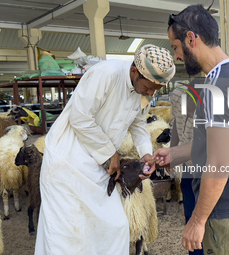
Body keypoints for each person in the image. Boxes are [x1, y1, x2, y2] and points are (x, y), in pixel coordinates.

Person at [34, 44, 175, 255]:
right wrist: (110, 153)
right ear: (134, 71)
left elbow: (137, 123)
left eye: (156, 89)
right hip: (68, 162)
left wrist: (146, 153)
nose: (151, 93)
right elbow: (79, 117)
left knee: (115, 226)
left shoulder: (141, 89)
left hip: (97, 166)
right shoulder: (105, 74)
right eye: (149, 87)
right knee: (70, 234)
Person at [151, 5, 229, 255]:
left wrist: (197, 221)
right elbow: (220, 145)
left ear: (192, 38)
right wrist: (174, 154)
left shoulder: (219, 86)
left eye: (175, 46)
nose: (176, 56)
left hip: (226, 209)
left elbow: (220, 164)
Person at [170, 78, 204, 255]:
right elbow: (176, 122)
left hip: (207, 169)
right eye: (190, 110)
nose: (192, 115)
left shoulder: (214, 109)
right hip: (189, 169)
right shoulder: (177, 96)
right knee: (190, 216)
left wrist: (174, 155)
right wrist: (172, 152)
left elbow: (207, 146)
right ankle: (195, 251)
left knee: (205, 217)